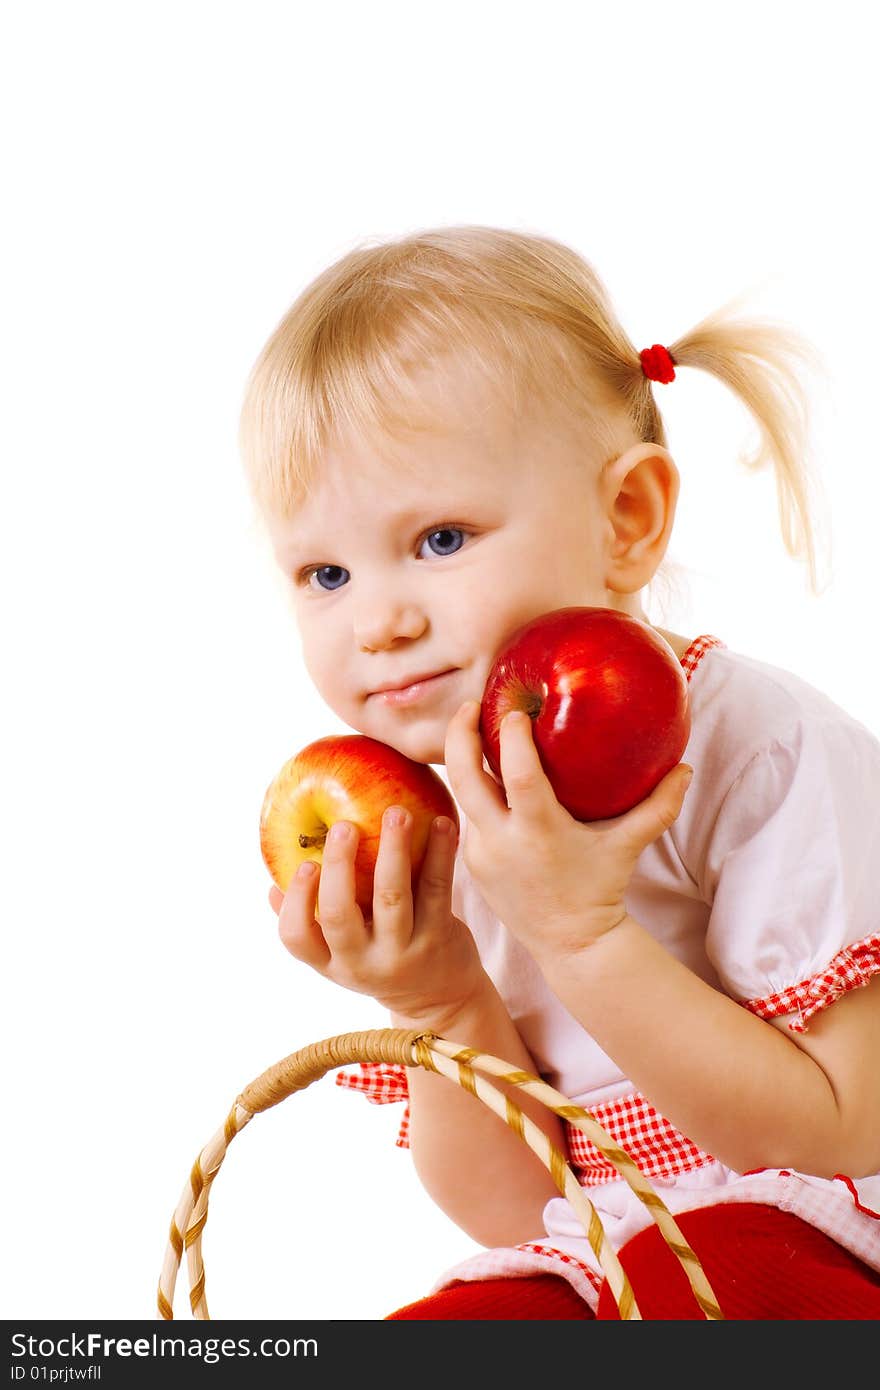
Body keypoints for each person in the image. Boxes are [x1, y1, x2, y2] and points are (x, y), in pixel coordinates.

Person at [238, 225, 880, 1320]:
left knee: (725, 1275)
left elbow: (837, 1130)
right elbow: (521, 1214)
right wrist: (438, 993)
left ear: (624, 518)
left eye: (440, 539)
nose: (380, 621)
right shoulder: (437, 809)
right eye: (326, 571)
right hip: (611, 1253)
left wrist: (580, 933)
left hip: (815, 1232)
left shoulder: (753, 748)